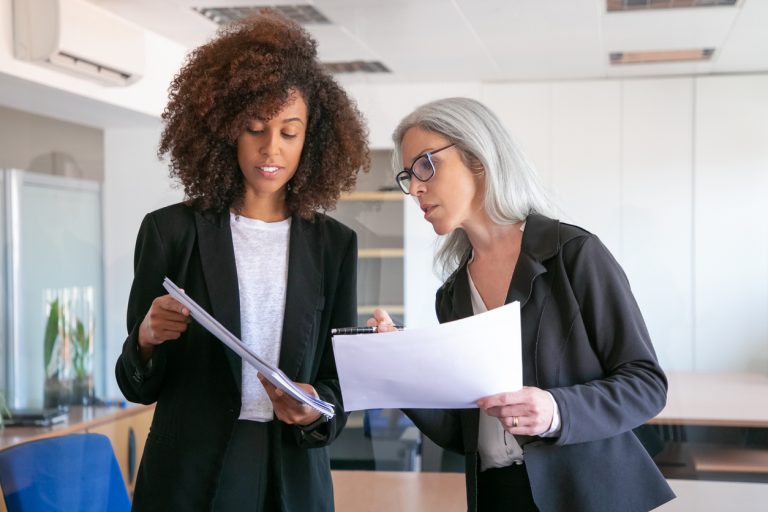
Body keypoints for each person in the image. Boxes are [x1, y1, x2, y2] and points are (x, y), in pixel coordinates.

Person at [368, 97, 675, 512]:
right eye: (409, 175)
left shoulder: (574, 254)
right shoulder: (453, 295)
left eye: (426, 165)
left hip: (586, 495)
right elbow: (464, 432)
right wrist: (397, 364)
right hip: (498, 495)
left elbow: (646, 385)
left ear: (477, 159)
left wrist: (555, 410)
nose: (416, 187)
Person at [115, 11, 369, 511]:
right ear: (226, 131)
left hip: (291, 473)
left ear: (312, 140)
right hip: (190, 476)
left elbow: (340, 384)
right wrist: (145, 338)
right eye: (254, 128)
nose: (270, 148)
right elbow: (136, 384)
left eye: (288, 132)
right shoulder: (170, 232)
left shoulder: (334, 245)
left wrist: (313, 407)